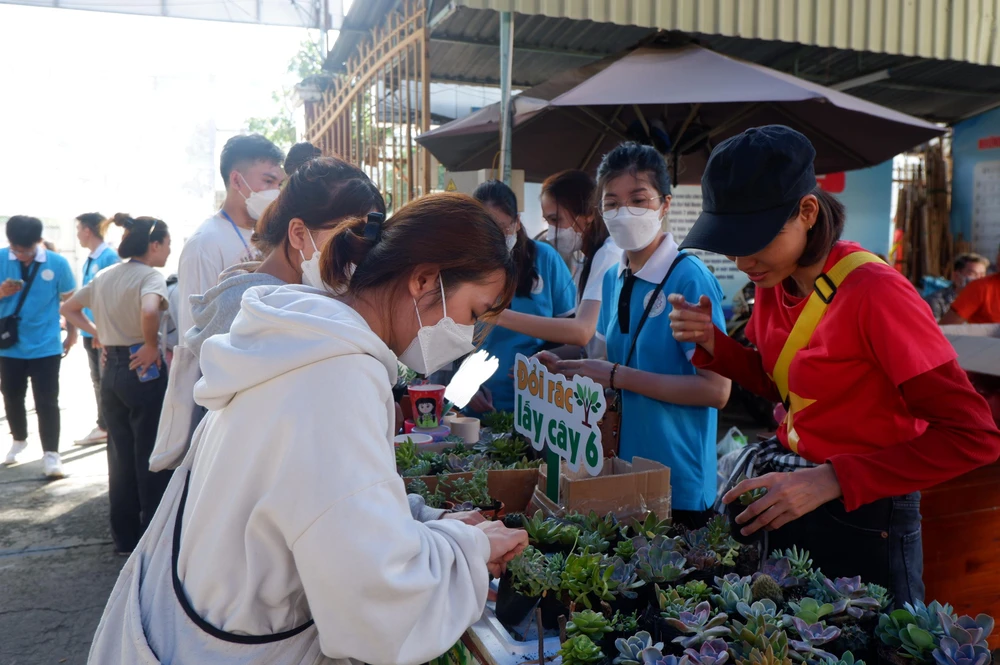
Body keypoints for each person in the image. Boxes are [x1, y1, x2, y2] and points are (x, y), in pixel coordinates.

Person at [87, 193, 529, 664]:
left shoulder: (309, 339)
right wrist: (471, 546)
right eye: (474, 315)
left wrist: (427, 522)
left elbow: (314, 502)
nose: (468, 336)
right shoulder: (337, 377)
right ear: (424, 280)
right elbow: (377, 601)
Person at [669, 125, 1000, 604]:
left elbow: (974, 435)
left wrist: (832, 479)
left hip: (868, 516)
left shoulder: (875, 293)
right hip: (794, 497)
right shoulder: (774, 282)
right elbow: (785, 387)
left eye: (754, 239)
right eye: (730, 242)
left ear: (807, 211)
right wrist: (715, 344)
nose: (742, 260)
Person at [150, 157, 386, 471]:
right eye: (348, 240)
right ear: (299, 234)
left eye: (366, 247)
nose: (356, 259)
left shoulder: (274, 301)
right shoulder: (265, 316)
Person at [544, 143, 730, 529]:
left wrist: (616, 376)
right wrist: (568, 369)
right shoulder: (615, 278)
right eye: (611, 202)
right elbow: (620, 364)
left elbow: (716, 390)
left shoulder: (690, 277)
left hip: (680, 480)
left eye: (638, 199)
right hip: (627, 471)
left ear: (664, 204)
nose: (623, 211)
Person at [161, 135, 285, 456]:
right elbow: (196, 335)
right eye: (268, 180)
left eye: (280, 182)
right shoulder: (205, 242)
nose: (276, 191)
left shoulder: (276, 236)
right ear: (236, 179)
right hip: (226, 392)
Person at [62, 214, 173, 555]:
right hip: (143, 366)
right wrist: (152, 344)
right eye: (167, 244)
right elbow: (150, 309)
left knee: (120, 456)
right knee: (151, 455)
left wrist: (99, 335)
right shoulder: (150, 276)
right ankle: (153, 536)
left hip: (111, 369)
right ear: (153, 245)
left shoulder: (106, 275)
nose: (169, 251)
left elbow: (69, 307)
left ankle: (124, 538)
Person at [468, 180, 576, 414]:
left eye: (502, 228)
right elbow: (447, 340)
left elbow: (575, 336)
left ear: (517, 222)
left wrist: (543, 362)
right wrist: (463, 384)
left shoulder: (545, 259)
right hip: (479, 409)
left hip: (540, 406)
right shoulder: (465, 268)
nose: (495, 239)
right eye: (485, 231)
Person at [494, 170, 620, 360]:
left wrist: (496, 315)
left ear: (588, 214)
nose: (551, 232)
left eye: (556, 219)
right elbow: (590, 345)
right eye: (547, 221)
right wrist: (547, 357)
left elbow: (581, 332)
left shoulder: (608, 254)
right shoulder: (589, 260)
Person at [0, 216, 77, 477]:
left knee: (47, 401)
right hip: (8, 345)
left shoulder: (57, 263)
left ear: (38, 242)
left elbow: (70, 301)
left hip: (46, 344)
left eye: (27, 250)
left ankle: (51, 455)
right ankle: (19, 438)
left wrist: (73, 334)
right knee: (11, 395)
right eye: (16, 250)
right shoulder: (1, 258)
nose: (21, 255)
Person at [73, 212, 121, 446]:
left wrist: (101, 330)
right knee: (97, 380)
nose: (78, 234)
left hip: (100, 333)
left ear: (88, 230)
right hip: (90, 331)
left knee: (104, 381)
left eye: (78, 229)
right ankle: (103, 424)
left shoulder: (108, 257)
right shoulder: (91, 258)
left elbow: (111, 298)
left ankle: (106, 425)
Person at [941, 245, 1000, 324]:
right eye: (972, 273)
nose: (978, 277)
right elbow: (945, 328)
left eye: (982, 273)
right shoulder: (980, 288)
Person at [925, 252, 989, 322]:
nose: (979, 279)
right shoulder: (936, 301)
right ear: (956, 276)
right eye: (973, 274)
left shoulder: (987, 301)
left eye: (982, 275)